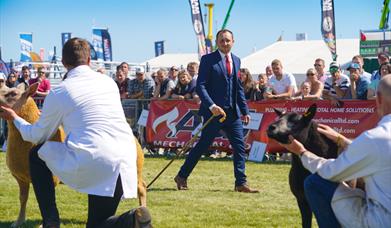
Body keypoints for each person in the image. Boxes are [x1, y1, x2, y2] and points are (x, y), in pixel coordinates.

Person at [0, 38, 151, 228]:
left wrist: (14, 117)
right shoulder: (109, 83)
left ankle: (51, 222)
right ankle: (132, 219)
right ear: (89, 61)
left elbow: (37, 136)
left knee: (36, 154)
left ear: (63, 63)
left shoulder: (59, 92)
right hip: (125, 157)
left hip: (93, 158)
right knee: (98, 225)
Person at [279, 74, 391, 228]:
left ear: (378, 98)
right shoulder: (376, 141)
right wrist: (341, 139)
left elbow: (332, 172)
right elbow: (377, 155)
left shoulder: (375, 138)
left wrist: (302, 153)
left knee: (314, 182)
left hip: (380, 221)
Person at [174, 29, 259, 193]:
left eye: (228, 40)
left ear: (233, 41)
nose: (225, 43)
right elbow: (201, 86)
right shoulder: (207, 60)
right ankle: (182, 176)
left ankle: (241, 183)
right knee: (203, 145)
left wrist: (245, 110)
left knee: (239, 147)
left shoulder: (236, 60)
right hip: (213, 113)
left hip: (232, 114)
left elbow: (237, 88)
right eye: (222, 40)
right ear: (217, 42)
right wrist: (212, 106)